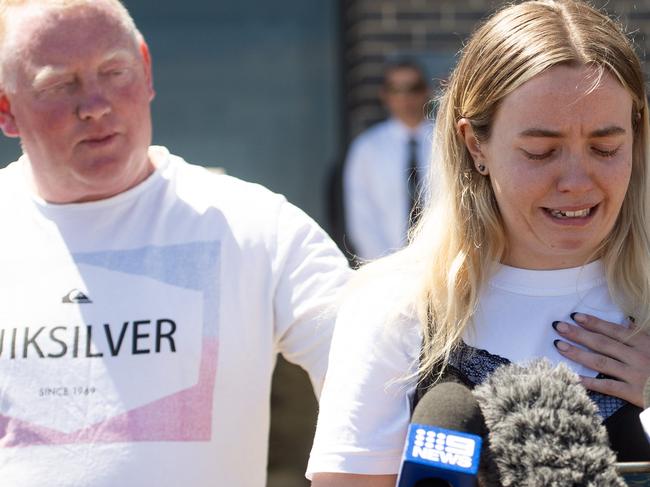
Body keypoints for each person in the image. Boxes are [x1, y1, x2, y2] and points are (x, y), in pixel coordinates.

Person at [0, 1, 351, 486]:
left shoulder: (255, 228)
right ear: (7, 108)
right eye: (60, 85)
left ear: (145, 70)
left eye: (114, 71)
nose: (95, 104)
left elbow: (378, 378)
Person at [308, 1, 650, 485]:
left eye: (605, 147)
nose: (577, 180)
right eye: (541, 151)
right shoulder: (393, 307)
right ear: (475, 145)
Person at [343, 60, 433, 261]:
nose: (405, 97)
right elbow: (362, 217)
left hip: (442, 265)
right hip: (387, 267)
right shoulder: (367, 148)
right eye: (396, 89)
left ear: (426, 90)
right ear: (385, 95)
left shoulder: (447, 142)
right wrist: (387, 268)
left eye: (413, 88)